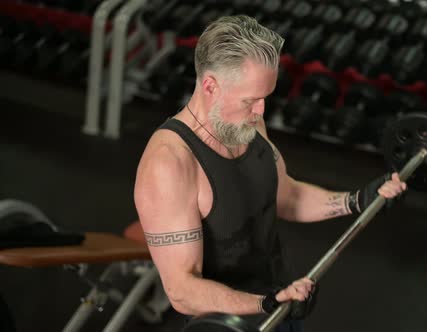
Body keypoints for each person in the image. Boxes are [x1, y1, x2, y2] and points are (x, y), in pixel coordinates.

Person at [133, 15, 407, 331]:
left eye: (265, 97)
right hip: (227, 322)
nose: (262, 111)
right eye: (251, 100)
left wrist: (357, 199)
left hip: (280, 299)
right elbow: (182, 290)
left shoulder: (247, 123)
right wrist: (264, 304)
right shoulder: (169, 163)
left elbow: (284, 194)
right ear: (210, 86)